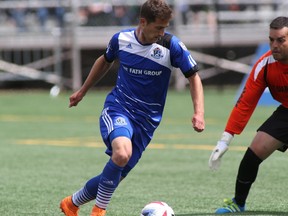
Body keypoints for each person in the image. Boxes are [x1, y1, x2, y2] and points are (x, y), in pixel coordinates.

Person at [60, 0, 205, 216]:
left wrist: (198, 113)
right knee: (121, 154)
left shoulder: (170, 45)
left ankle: (71, 203)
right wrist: (83, 90)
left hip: (147, 123)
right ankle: (99, 211)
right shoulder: (121, 39)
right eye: (158, 27)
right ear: (143, 22)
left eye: (165, 27)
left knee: (115, 173)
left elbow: (193, 77)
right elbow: (105, 60)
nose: (162, 32)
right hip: (119, 108)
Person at [209, 16, 288, 214]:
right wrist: (224, 140)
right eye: (271, 40)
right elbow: (245, 103)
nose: (274, 45)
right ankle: (238, 202)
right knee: (253, 154)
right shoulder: (265, 65)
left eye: (281, 40)